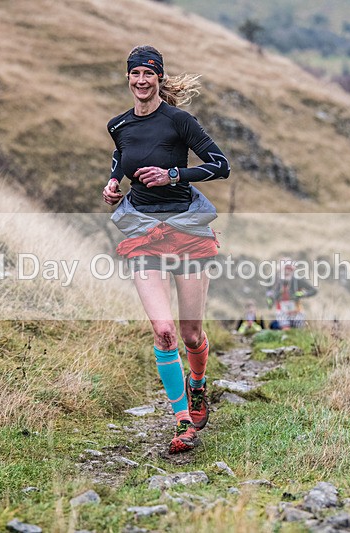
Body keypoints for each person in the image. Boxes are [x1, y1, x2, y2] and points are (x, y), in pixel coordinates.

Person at [102, 45, 230, 454]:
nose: (141, 80)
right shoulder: (118, 125)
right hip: (142, 231)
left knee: (191, 334)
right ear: (127, 78)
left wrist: (173, 173)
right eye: (134, 73)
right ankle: (181, 422)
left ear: (159, 77)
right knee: (163, 331)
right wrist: (111, 185)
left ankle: (197, 385)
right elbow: (121, 160)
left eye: (148, 73)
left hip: (187, 230)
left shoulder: (179, 121)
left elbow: (220, 164)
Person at [265, 258, 317, 329]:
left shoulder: (298, 281)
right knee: (284, 329)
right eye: (286, 269)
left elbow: (313, 290)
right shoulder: (276, 281)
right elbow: (269, 294)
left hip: (296, 311)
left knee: (299, 331)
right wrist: (270, 299)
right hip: (281, 312)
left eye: (290, 269)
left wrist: (301, 294)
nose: (287, 272)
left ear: (293, 270)